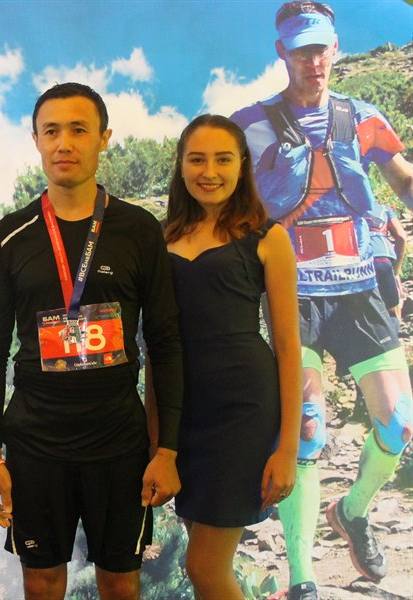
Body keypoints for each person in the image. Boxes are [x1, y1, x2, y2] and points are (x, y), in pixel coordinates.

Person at [230, 3, 413, 598]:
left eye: (321, 48)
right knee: (306, 430)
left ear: (336, 48)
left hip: (360, 286)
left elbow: (402, 178)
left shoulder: (363, 118)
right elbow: (219, 199)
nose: (313, 61)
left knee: (399, 423)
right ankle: (303, 578)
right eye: (301, 49)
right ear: (281, 52)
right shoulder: (250, 125)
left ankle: (352, 511)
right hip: (293, 293)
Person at [0, 82, 183, 600]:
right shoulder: (11, 235)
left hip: (119, 441)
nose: (64, 143)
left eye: (78, 130)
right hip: (36, 443)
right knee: (42, 581)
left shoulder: (139, 229)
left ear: (103, 138)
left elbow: (164, 343)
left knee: (120, 583)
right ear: (36, 141)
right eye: (51, 131)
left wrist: (167, 450)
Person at [158, 114, 301, 599]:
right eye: (197, 159)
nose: (209, 171)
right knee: (204, 568)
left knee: (203, 567)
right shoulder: (160, 240)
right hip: (184, 416)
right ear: (181, 165)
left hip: (244, 414)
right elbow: (156, 346)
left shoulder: (268, 238)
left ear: (242, 165)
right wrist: (159, 439)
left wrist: (287, 449)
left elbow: (288, 347)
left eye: (223, 159)